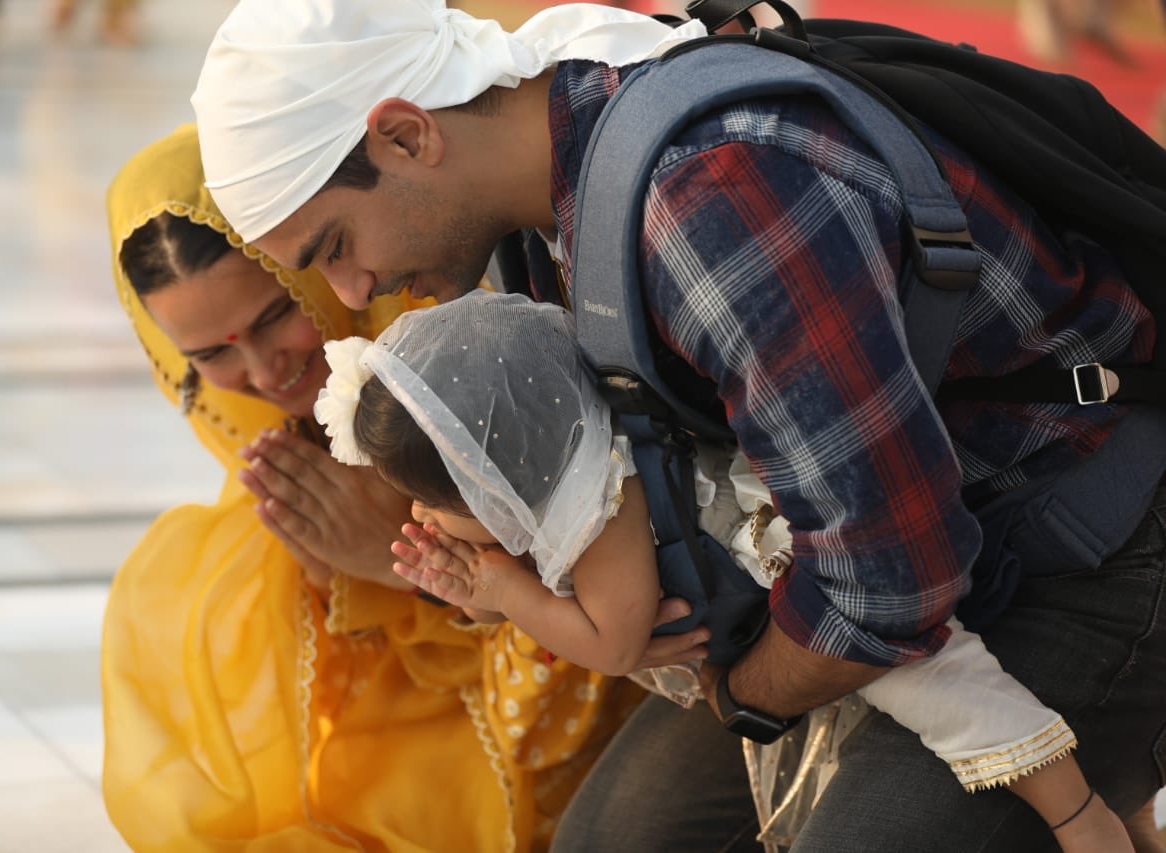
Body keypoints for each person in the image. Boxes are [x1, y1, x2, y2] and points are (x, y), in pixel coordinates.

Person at [189, 1, 1166, 850]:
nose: (354, 292)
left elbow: (888, 587)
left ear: (407, 136)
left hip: (1083, 541)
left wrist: (741, 695)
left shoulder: (710, 200)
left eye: (338, 246)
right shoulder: (526, 213)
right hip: (887, 546)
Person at [316, 288, 1130, 851]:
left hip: (808, 580)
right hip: (761, 619)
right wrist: (482, 592)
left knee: (944, 687)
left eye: (436, 502)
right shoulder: (570, 453)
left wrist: (500, 589)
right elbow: (553, 599)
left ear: (499, 476)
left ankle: (1083, 814)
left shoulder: (600, 517)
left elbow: (611, 638)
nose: (421, 521)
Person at [101, 122, 645, 852]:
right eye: (209, 356)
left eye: (274, 316)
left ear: (310, 262)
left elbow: (577, 677)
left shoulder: (462, 366)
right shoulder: (275, 452)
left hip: (523, 741)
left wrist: (398, 567)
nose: (265, 376)